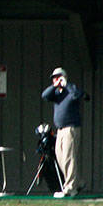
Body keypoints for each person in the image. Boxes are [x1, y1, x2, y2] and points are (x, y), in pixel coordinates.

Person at [41, 66, 89, 197]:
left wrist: (66, 84)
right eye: (54, 78)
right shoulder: (56, 94)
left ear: (64, 78)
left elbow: (77, 94)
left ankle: (70, 188)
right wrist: (55, 86)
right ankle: (78, 182)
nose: (55, 80)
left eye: (58, 77)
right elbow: (44, 95)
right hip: (60, 130)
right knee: (60, 157)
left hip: (71, 129)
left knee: (69, 157)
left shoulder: (71, 90)